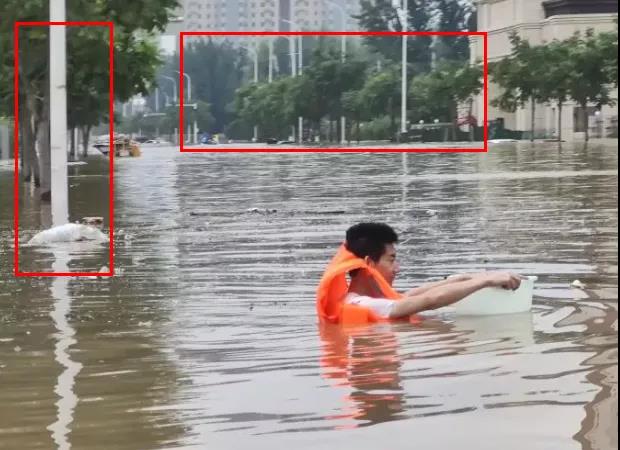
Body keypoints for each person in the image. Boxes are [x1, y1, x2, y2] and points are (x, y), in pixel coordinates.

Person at [316, 223, 522, 324]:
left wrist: (462, 278)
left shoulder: (369, 300)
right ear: (369, 263)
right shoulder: (359, 304)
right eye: (391, 259)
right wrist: (484, 281)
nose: (398, 268)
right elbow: (429, 300)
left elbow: (413, 296)